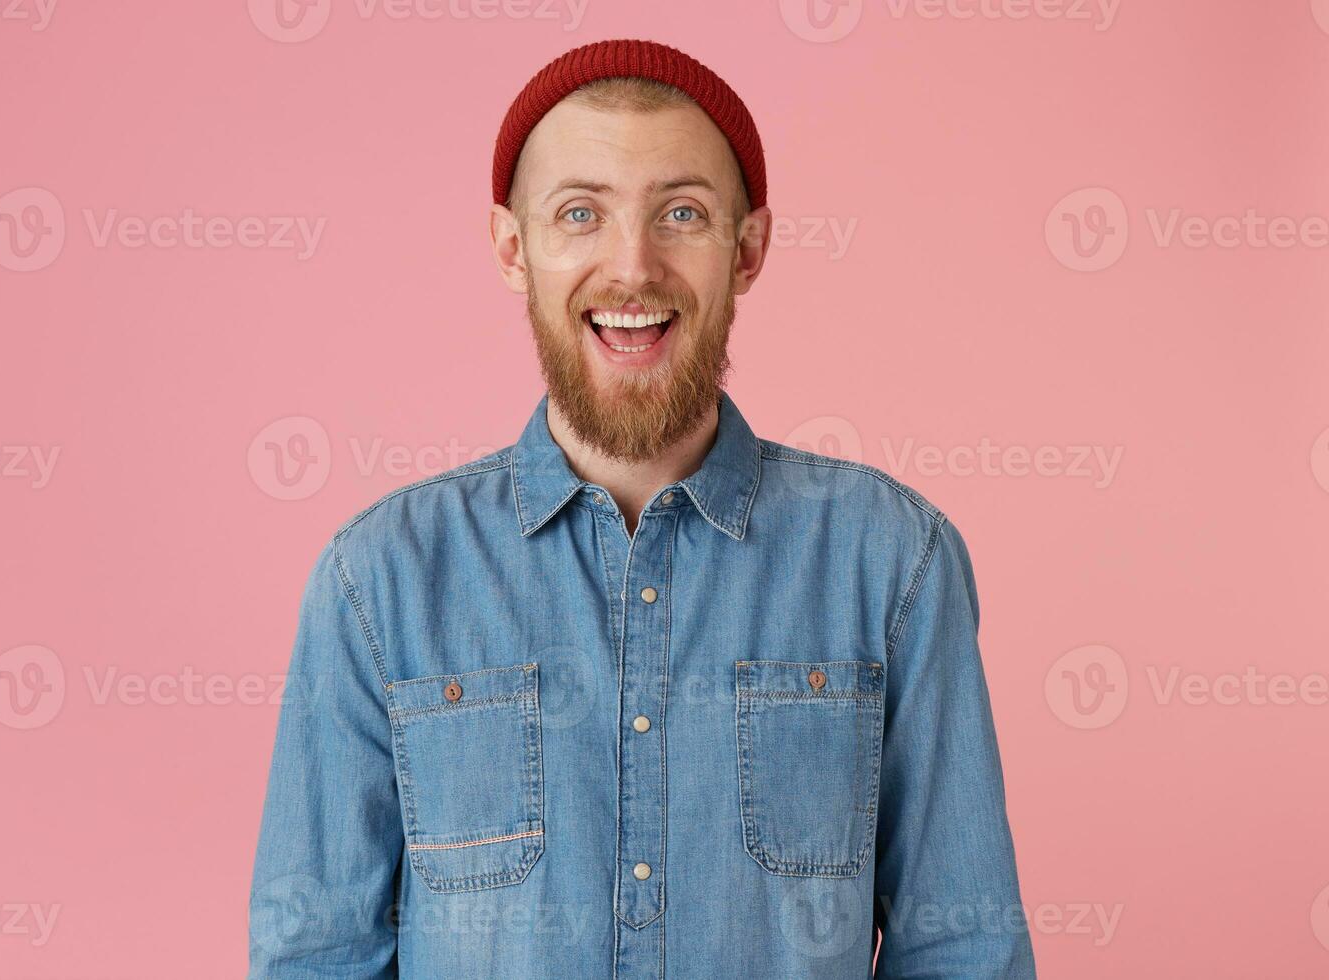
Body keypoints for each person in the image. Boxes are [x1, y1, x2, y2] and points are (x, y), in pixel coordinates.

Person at [249, 38, 1036, 979]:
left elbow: (963, 951)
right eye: (580, 213)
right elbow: (315, 958)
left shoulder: (895, 564)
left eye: (683, 214)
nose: (633, 268)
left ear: (747, 250)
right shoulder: (376, 583)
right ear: (514, 248)